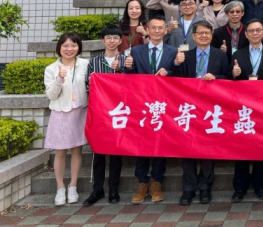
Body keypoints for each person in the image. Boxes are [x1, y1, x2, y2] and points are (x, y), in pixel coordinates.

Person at [171, 20, 228, 205]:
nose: (204, 36)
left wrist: (216, 77)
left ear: (211, 35)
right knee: (187, 148)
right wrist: (176, 64)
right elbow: (176, 80)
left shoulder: (220, 55)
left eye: (207, 33)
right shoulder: (185, 55)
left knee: (207, 149)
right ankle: (188, 189)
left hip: (211, 110)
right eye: (200, 33)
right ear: (194, 36)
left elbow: (228, 79)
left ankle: (205, 187)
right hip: (189, 109)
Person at [124, 15, 178, 204]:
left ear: (165, 30)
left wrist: (170, 71)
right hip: (141, 104)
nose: (156, 31)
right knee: (140, 143)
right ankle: (142, 183)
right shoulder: (136, 51)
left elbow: (179, 76)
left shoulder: (173, 51)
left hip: (163, 105)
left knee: (160, 142)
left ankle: (156, 182)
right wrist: (128, 67)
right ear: (147, 30)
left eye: (160, 28)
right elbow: (130, 76)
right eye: (153, 27)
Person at [231, 19, 263, 201]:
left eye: (258, 30)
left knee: (261, 146)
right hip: (243, 108)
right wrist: (233, 74)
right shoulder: (238, 54)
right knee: (241, 148)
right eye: (251, 31)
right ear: (246, 34)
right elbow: (229, 79)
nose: (255, 33)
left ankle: (260, 186)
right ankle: (240, 188)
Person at [44, 33, 89, 206]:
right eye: (66, 45)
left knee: (77, 150)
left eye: (74, 45)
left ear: (79, 47)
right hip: (61, 113)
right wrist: (59, 79)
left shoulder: (85, 64)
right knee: (60, 152)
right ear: (59, 48)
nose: (70, 49)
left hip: (80, 111)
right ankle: (60, 187)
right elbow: (51, 95)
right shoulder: (51, 69)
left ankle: (73, 186)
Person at [84, 28, 126, 206]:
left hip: (120, 112)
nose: (112, 40)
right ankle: (97, 189)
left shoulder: (126, 60)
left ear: (120, 41)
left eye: (115, 37)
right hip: (100, 113)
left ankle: (114, 189)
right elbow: (88, 86)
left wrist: (121, 70)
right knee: (99, 152)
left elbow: (132, 84)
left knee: (116, 153)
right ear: (103, 41)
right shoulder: (94, 62)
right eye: (108, 37)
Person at [211, 1, 249, 65]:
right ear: (226, 14)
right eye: (231, 12)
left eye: (238, 11)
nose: (235, 14)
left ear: (242, 13)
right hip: (224, 65)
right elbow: (212, 51)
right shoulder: (218, 32)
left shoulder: (249, 31)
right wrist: (220, 50)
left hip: (244, 65)